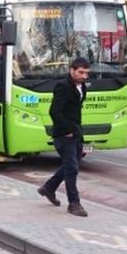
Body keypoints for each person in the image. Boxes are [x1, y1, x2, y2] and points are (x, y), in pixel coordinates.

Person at [37, 58, 90, 217]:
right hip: (64, 134)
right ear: (71, 70)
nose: (84, 76)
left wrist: (77, 131)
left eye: (86, 73)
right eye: (81, 72)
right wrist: (67, 130)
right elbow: (54, 111)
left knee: (73, 162)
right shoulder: (63, 86)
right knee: (72, 168)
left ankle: (49, 188)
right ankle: (74, 203)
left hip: (76, 132)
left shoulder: (82, 87)